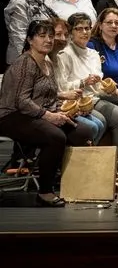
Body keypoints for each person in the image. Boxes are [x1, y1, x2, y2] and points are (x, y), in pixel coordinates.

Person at [0, 19, 96, 206]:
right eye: (42, 36)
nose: (48, 40)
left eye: (51, 36)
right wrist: (49, 116)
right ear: (30, 39)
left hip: (36, 112)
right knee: (55, 136)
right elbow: (22, 101)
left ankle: (77, 183)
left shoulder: (48, 63)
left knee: (83, 131)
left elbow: (49, 97)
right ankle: (45, 191)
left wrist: (63, 112)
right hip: (12, 115)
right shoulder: (25, 63)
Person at [55, 12, 118, 161]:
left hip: (94, 98)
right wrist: (83, 82)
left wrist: (110, 88)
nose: (85, 32)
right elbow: (62, 87)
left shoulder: (93, 54)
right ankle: (90, 160)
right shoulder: (64, 54)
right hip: (75, 102)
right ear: (71, 32)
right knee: (105, 120)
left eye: (87, 28)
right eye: (79, 29)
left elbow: (97, 88)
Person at [5, 0, 58, 66]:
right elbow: (19, 37)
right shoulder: (18, 3)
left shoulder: (40, 0)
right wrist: (28, 62)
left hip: (40, 56)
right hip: (22, 60)